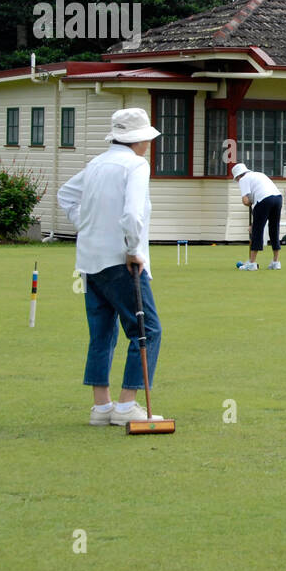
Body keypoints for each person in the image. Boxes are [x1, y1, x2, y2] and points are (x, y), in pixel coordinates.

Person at [57, 108, 168, 425]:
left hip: (90, 262)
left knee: (102, 333)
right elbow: (132, 215)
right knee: (147, 330)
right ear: (140, 139)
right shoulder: (135, 166)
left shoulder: (96, 164)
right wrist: (133, 250)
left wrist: (88, 226)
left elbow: (66, 195)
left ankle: (101, 407)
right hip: (123, 261)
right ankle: (127, 406)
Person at [232, 162, 282, 270]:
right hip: (278, 198)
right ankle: (276, 262)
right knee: (274, 229)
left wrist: (253, 225)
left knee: (257, 231)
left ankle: (252, 263)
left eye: (236, 179)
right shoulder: (259, 174)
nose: (237, 181)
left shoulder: (243, 179)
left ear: (238, 176)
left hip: (264, 199)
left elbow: (246, 201)